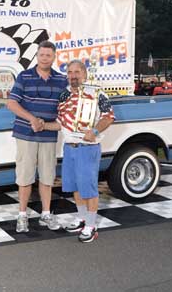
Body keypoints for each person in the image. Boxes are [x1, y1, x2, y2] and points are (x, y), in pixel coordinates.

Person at [43, 60, 115, 242]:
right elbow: (61, 123)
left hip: (87, 148)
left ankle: (91, 225)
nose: (73, 75)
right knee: (74, 185)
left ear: (84, 74)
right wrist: (43, 125)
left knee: (89, 188)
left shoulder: (97, 93)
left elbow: (109, 117)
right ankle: (82, 217)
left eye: (77, 72)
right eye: (70, 72)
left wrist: (95, 131)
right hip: (69, 148)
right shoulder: (64, 95)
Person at [7, 40, 68, 233]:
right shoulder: (24, 76)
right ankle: (22, 215)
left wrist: (46, 124)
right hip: (25, 134)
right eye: (41, 55)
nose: (44, 58)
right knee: (25, 176)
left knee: (48, 176)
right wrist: (33, 119)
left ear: (54, 57)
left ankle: (46, 214)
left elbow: (66, 109)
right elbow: (12, 104)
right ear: (37, 56)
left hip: (49, 135)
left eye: (48, 55)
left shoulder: (61, 80)